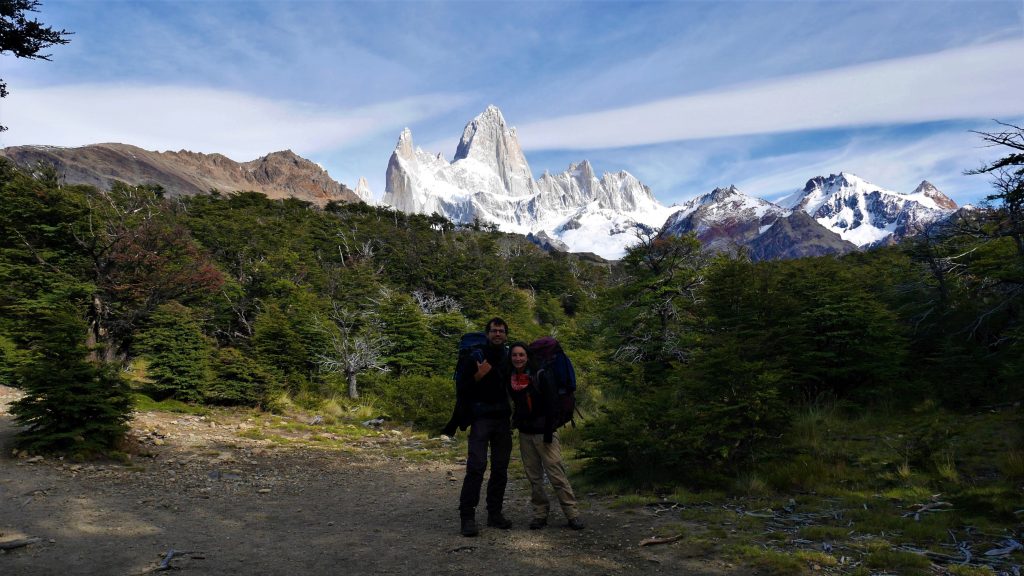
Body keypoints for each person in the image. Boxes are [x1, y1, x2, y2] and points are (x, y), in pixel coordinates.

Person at [507, 342, 584, 530]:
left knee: (556, 475)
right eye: (514, 355)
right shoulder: (512, 378)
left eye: (521, 355)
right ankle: (540, 514)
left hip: (544, 433)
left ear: (528, 356)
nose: (518, 358)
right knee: (534, 478)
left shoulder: (540, 375)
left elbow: (552, 405)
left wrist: (549, 433)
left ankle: (572, 514)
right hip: (525, 433)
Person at [454, 318, 513, 537]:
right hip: (481, 419)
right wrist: (478, 375)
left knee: (500, 468)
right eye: (494, 331)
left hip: (502, 419)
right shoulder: (475, 356)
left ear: (506, 335)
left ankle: (494, 514)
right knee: (476, 467)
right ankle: (467, 517)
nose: (497, 334)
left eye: (501, 331)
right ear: (487, 334)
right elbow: (463, 388)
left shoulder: (508, 357)